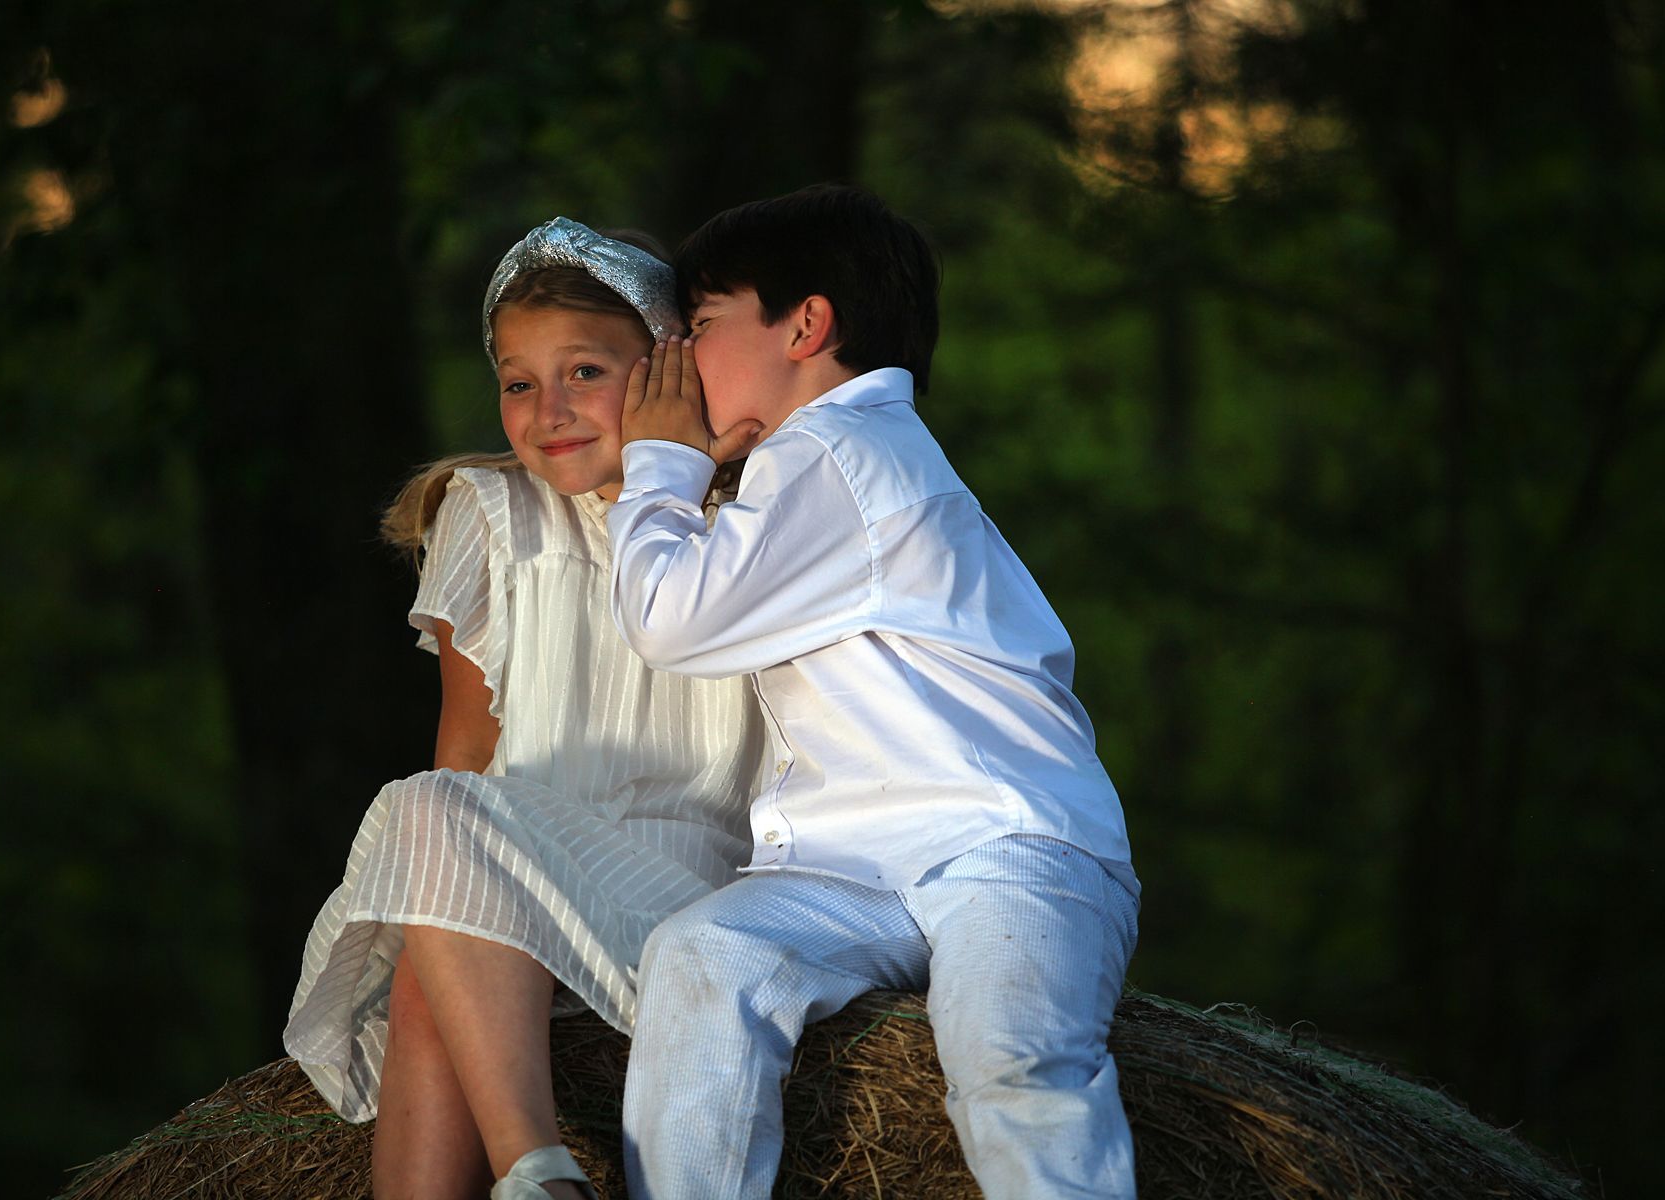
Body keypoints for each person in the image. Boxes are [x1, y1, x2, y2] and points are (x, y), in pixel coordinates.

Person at [607, 184, 1142, 1199]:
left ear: (808, 325)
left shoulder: (842, 447)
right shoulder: (803, 463)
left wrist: (660, 463)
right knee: (704, 954)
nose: (672, 364)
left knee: (1015, 1065)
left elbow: (670, 618)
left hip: (1006, 840)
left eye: (704, 328)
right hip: (858, 865)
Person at [283, 218, 767, 1200]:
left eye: (584, 372)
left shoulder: (746, 511)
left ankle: (534, 1171)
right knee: (433, 862)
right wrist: (447, 901)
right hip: (520, 870)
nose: (548, 409)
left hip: (696, 894)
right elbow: (468, 751)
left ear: (667, 367)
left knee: (432, 851)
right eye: (517, 382)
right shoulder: (489, 512)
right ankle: (536, 1170)